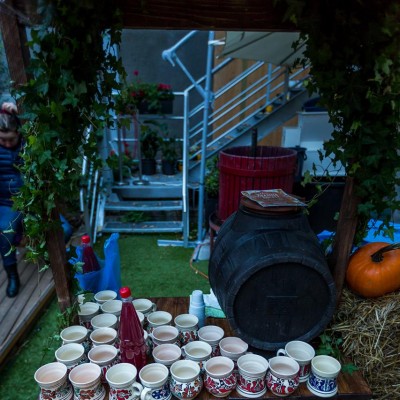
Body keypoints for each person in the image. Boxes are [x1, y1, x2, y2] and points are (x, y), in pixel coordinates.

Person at [0, 102, 73, 297]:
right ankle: (13, 276)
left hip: (35, 201)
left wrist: (17, 111)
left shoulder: (30, 141)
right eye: (3, 140)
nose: (7, 144)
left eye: (11, 139)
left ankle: (50, 257)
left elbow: (40, 122)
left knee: (65, 230)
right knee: (5, 234)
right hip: (7, 203)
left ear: (19, 132)